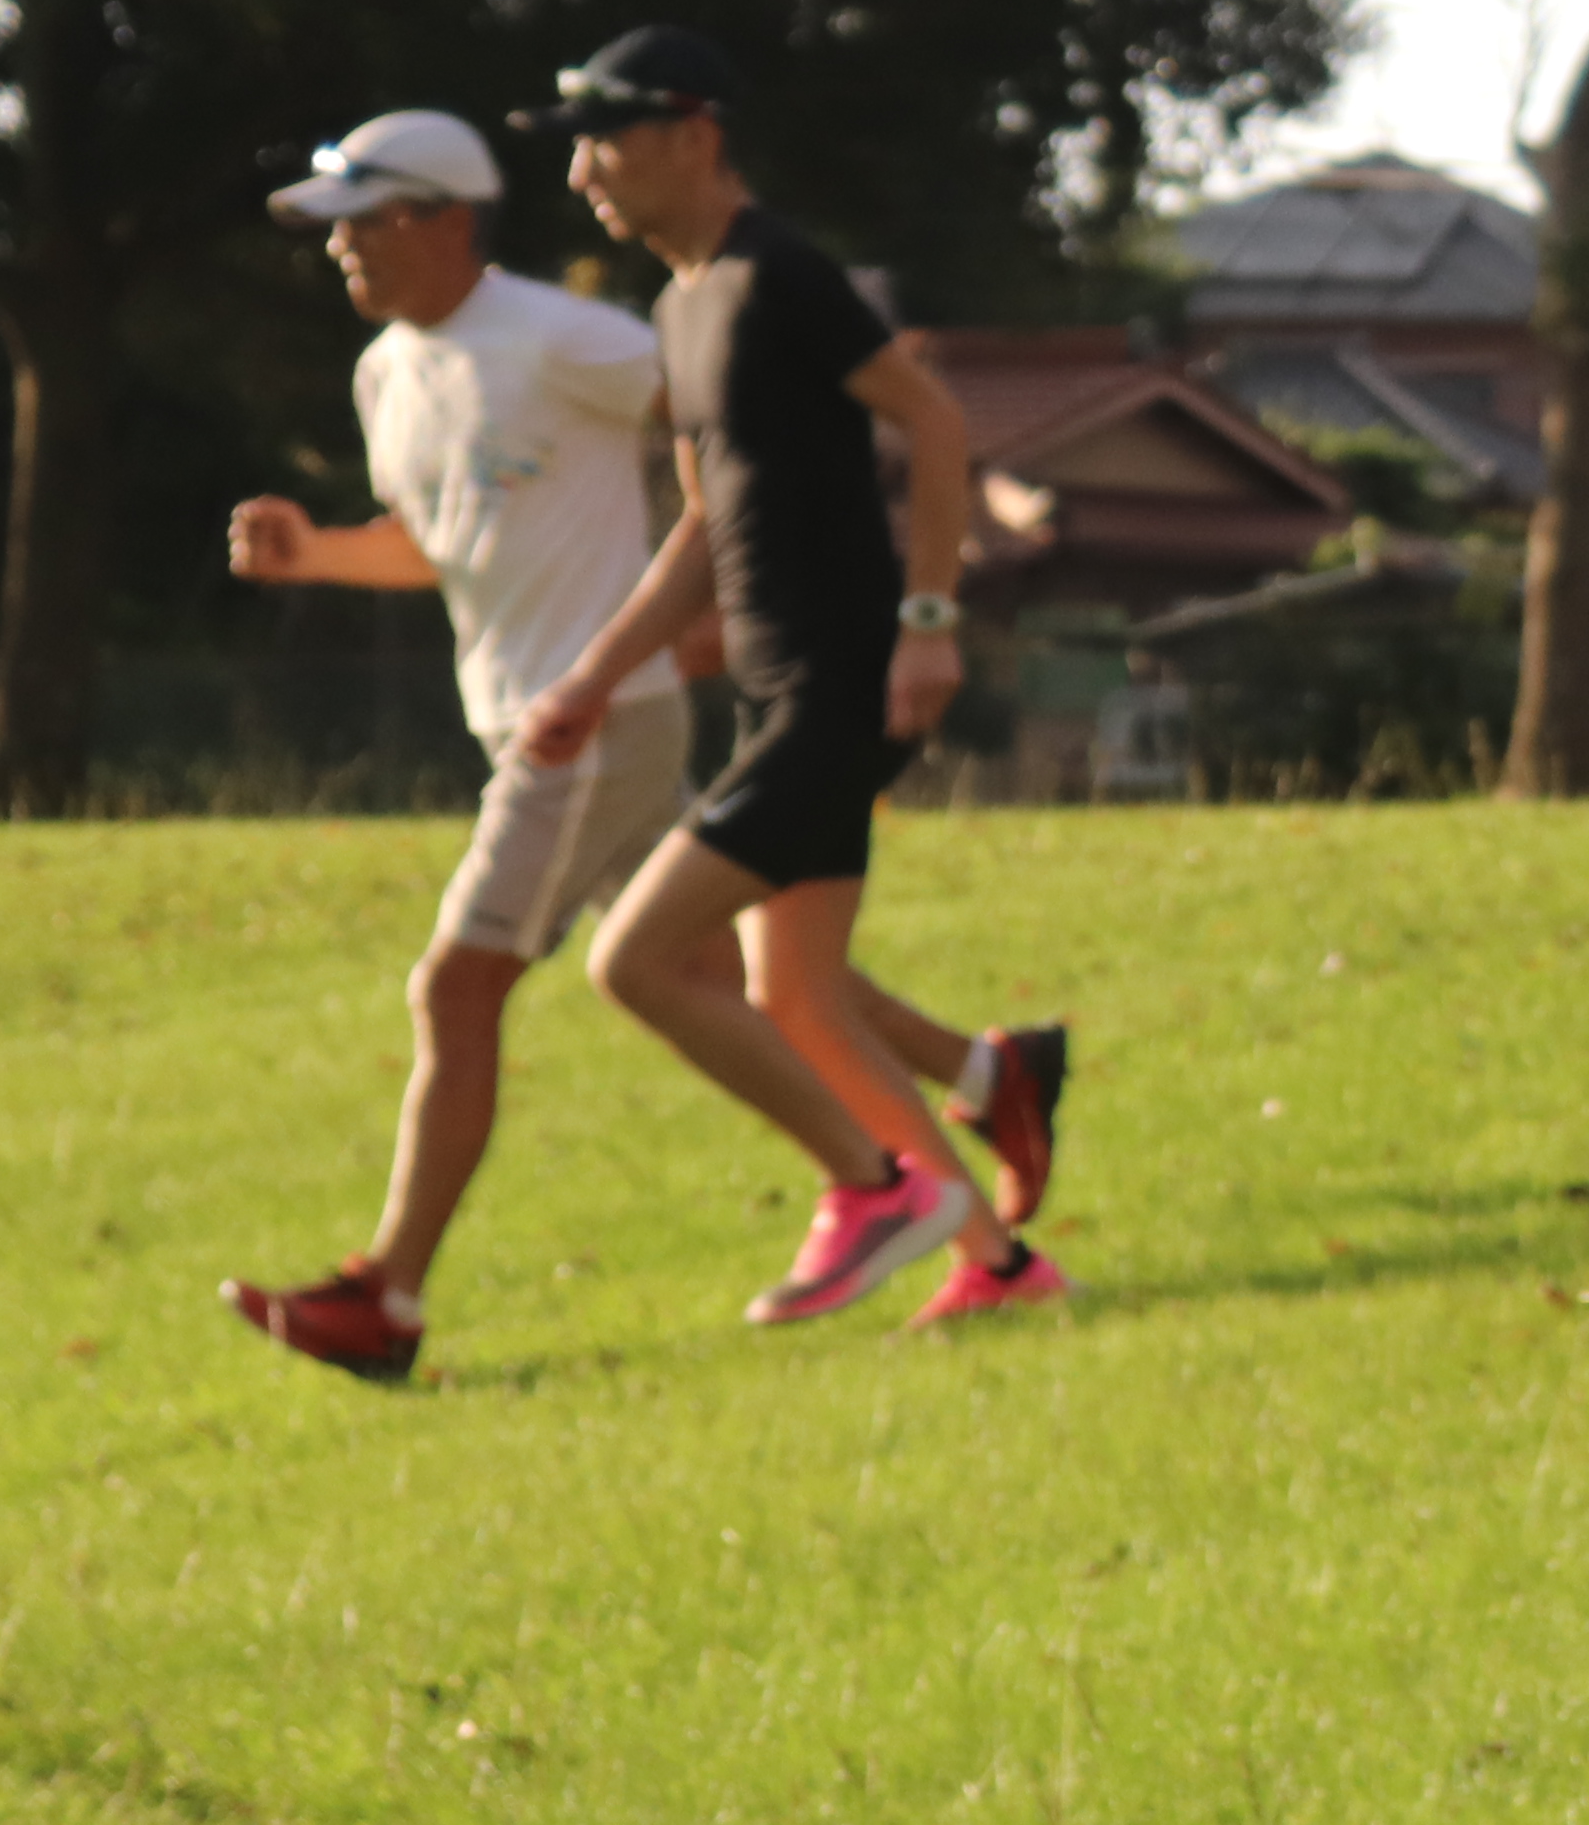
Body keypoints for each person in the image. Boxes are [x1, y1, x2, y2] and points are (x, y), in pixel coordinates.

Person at [211, 113, 1065, 1387]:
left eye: (366, 217)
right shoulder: (385, 372)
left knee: (461, 987)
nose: (341, 246)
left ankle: (387, 1295)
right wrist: (319, 554)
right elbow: (437, 542)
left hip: (593, 720)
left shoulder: (570, 338)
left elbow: (741, 433)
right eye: (330, 224)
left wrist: (728, 612)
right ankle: (990, 1159)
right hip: (527, 711)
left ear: (451, 219)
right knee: (734, 982)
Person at [510, 30, 1068, 1334]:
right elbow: (704, 530)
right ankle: (997, 1266)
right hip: (775, 692)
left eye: (608, 138)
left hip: (843, 687)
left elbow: (932, 421)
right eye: (577, 146)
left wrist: (930, 621)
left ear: (694, 135)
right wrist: (593, 676)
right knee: (797, 996)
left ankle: (874, 1192)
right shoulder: (681, 305)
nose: (585, 171)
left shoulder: (784, 276)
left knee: (637, 958)